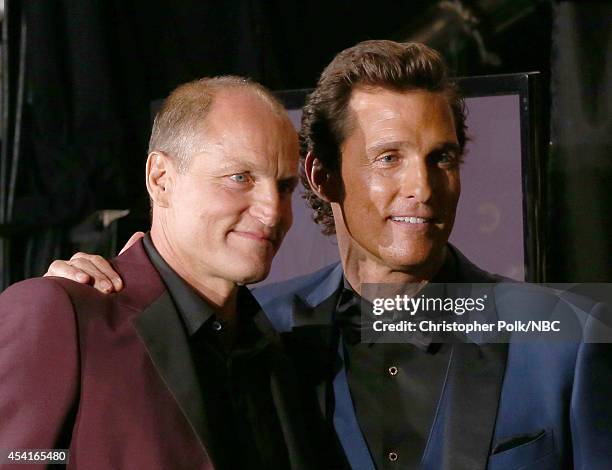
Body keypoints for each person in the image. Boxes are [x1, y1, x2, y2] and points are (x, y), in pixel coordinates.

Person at [44, 41, 612, 469]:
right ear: (322, 175)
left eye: (441, 158)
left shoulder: (566, 338)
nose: (423, 186)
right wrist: (89, 297)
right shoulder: (258, 332)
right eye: (389, 157)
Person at [0, 76, 345, 469]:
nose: (273, 211)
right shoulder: (64, 313)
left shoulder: (274, 353)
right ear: (161, 179)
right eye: (240, 178)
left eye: (284, 187)